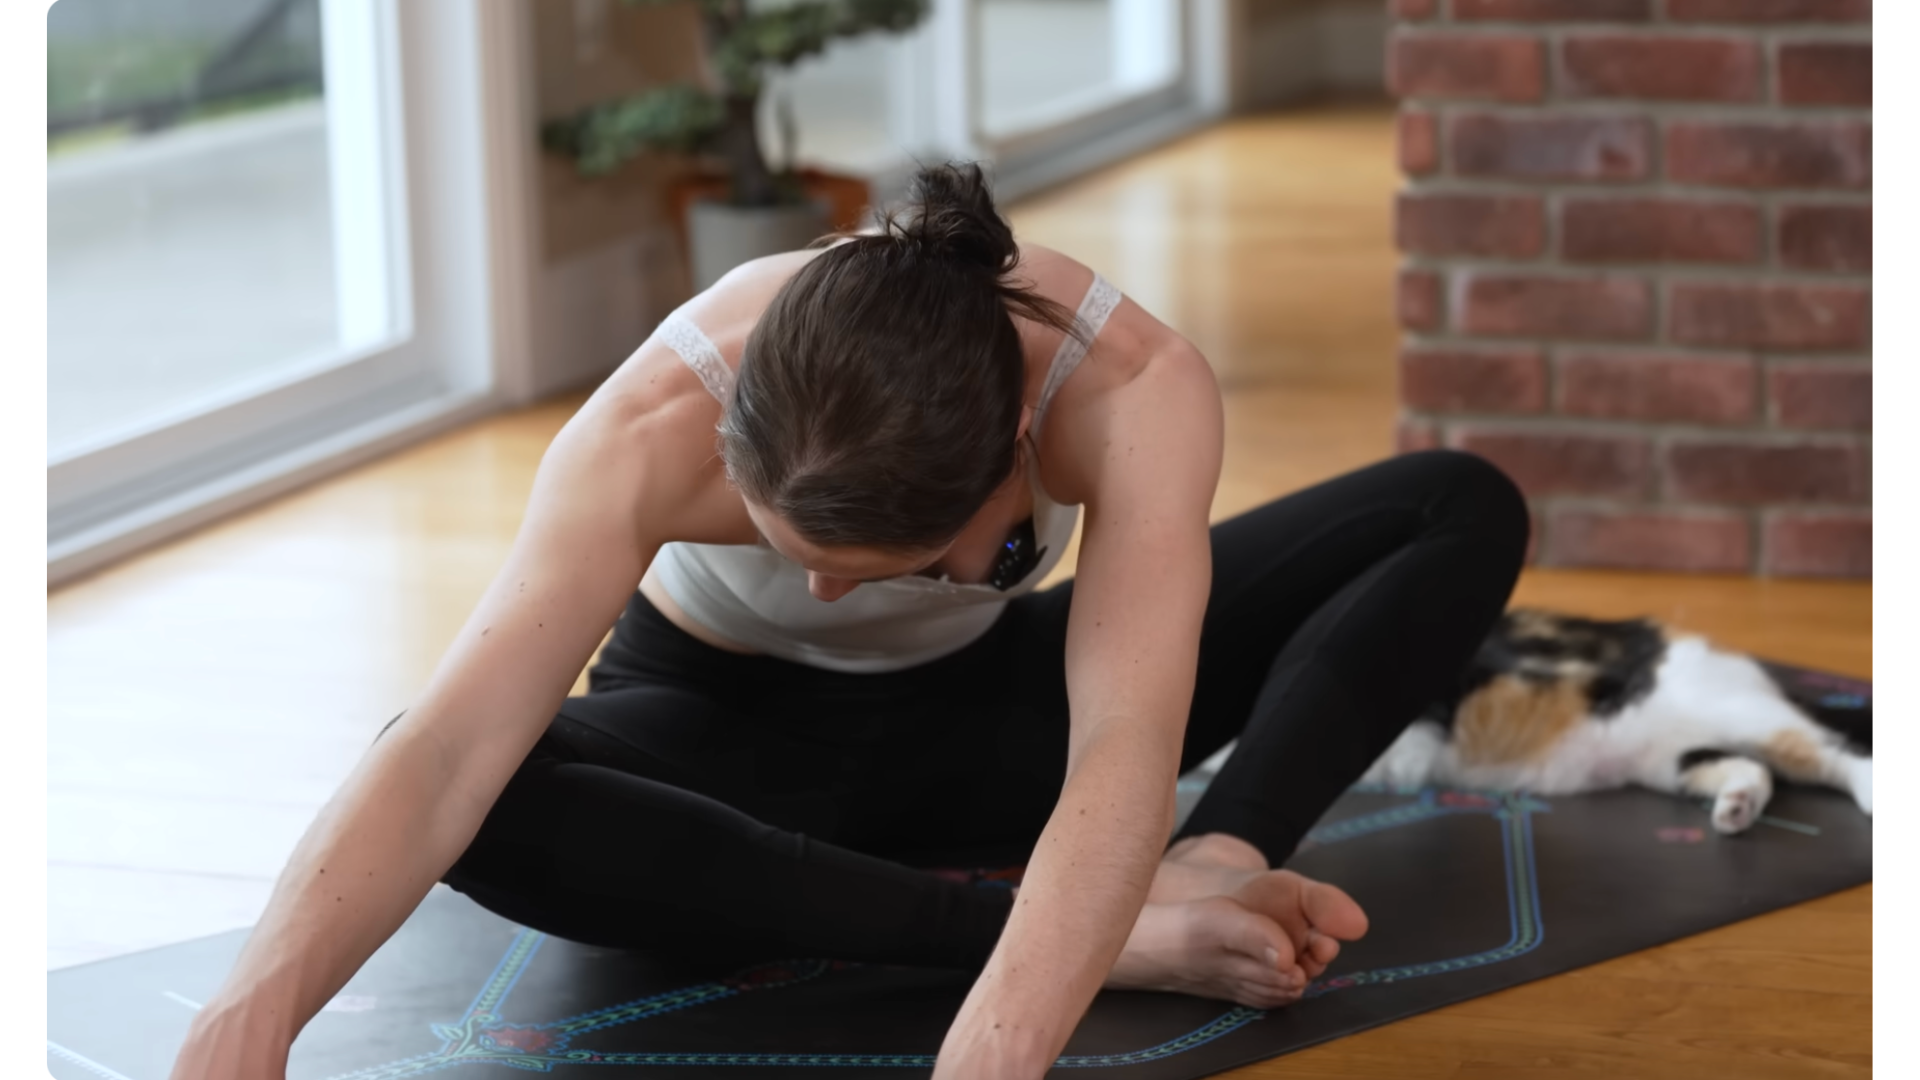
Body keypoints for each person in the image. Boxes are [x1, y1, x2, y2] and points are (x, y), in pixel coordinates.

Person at [170, 163, 1529, 1079]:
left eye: (891, 561)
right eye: (795, 551)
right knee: (496, 786)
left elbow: (1123, 742)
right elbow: (448, 750)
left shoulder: (1131, 387)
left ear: (1007, 449)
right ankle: (1086, 926)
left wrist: (996, 1052)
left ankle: (1201, 866)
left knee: (1452, 505)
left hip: (991, 717)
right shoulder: (646, 422)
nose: (829, 591)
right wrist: (249, 1019)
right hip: (719, 737)